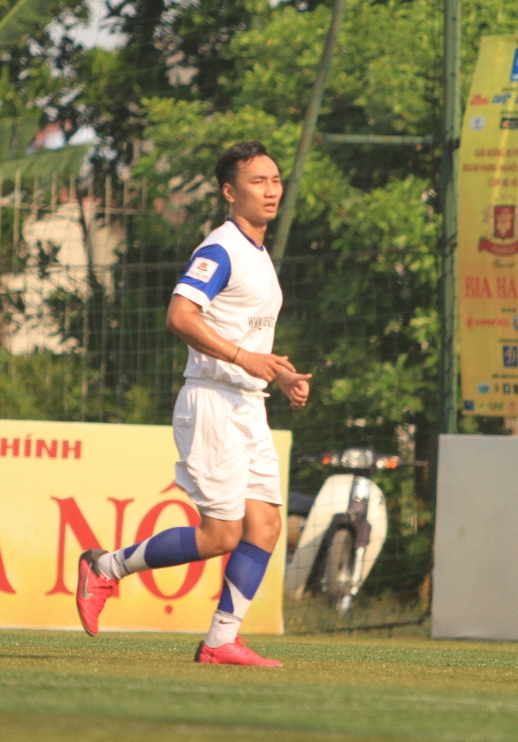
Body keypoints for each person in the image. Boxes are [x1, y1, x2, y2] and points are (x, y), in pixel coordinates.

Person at [75, 141, 311, 666]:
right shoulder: (221, 248)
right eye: (258, 182)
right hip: (212, 403)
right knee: (220, 534)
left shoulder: (257, 252)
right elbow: (180, 316)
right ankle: (105, 567)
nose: (271, 190)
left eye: (275, 180)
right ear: (230, 193)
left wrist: (282, 372)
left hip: (248, 404)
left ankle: (221, 640)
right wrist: (241, 358)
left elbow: (248, 338)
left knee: (266, 525)